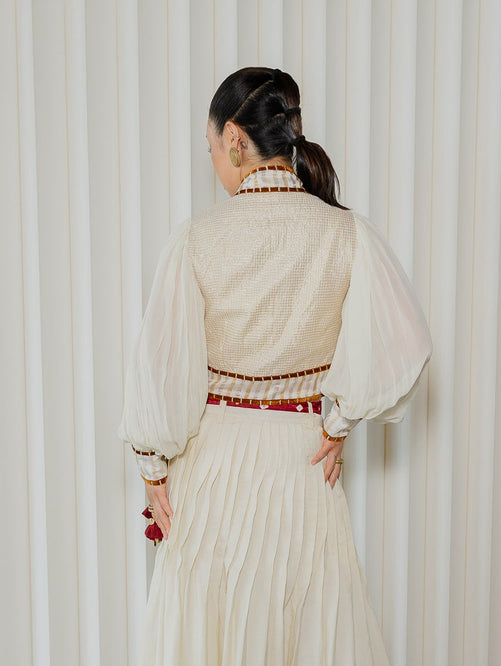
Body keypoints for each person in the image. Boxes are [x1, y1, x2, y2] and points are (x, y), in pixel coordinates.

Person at [118, 66, 432, 666]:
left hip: (213, 466)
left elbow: (161, 364)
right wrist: (338, 423)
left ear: (235, 139)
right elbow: (405, 342)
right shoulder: (345, 232)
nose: (214, 160)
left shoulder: (197, 238)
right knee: (304, 625)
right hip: (302, 462)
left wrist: (152, 467)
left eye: (211, 146)